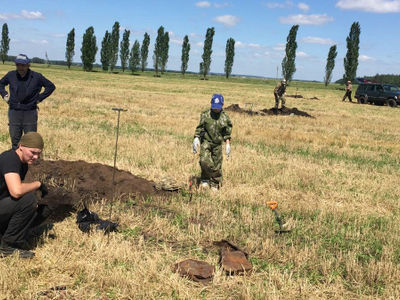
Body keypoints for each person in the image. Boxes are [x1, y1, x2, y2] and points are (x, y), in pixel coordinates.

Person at [0, 132, 49, 258]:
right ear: (21, 146)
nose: (36, 157)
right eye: (32, 152)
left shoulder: (22, 163)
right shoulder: (10, 159)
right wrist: (38, 184)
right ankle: (7, 246)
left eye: (39, 153)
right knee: (28, 200)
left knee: (34, 205)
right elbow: (16, 191)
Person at [0, 54, 56, 150]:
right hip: (14, 112)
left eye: (23, 65)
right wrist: (4, 95)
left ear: (28, 65)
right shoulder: (11, 75)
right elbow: (0, 84)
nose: (20, 67)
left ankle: (30, 163)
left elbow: (51, 86)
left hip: (30, 112)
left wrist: (39, 98)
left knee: (31, 141)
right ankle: (16, 161)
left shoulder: (37, 77)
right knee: (15, 140)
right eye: (18, 65)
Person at [192, 94, 232, 191]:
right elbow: (200, 127)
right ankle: (205, 179)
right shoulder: (205, 114)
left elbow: (227, 133)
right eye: (214, 107)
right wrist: (196, 138)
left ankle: (214, 183)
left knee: (216, 163)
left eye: (218, 108)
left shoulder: (225, 118)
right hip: (206, 141)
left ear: (222, 105)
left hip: (217, 144)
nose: (215, 110)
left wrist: (227, 144)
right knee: (204, 160)